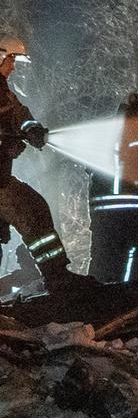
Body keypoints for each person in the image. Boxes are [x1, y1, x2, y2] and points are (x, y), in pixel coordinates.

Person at [0, 36, 73, 288]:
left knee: (36, 209)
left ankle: (57, 276)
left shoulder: (3, 92)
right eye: (11, 59)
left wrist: (34, 131)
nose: (14, 66)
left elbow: (19, 116)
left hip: (2, 177)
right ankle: (57, 278)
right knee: (31, 212)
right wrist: (7, 142)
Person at [88, 90, 138, 283]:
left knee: (102, 255)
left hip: (100, 206)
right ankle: (124, 295)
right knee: (131, 252)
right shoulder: (136, 130)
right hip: (126, 206)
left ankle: (94, 299)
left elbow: (89, 165)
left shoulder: (108, 127)